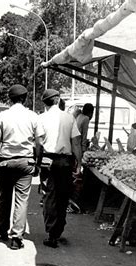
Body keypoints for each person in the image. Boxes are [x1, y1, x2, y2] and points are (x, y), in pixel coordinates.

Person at [0, 84, 44, 250]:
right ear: (25, 98)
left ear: (10, 99)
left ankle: (2, 230)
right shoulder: (33, 116)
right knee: (22, 199)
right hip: (25, 162)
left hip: (6, 161)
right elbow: (39, 143)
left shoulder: (2, 116)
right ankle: (16, 237)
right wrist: (38, 163)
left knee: (5, 197)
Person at [38, 89, 82, 248]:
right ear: (57, 100)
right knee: (63, 195)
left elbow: (38, 144)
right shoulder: (69, 117)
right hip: (65, 160)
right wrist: (79, 162)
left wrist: (37, 162)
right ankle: (58, 230)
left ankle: (51, 232)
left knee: (49, 195)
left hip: (47, 159)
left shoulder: (41, 118)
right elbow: (76, 143)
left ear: (45, 102)